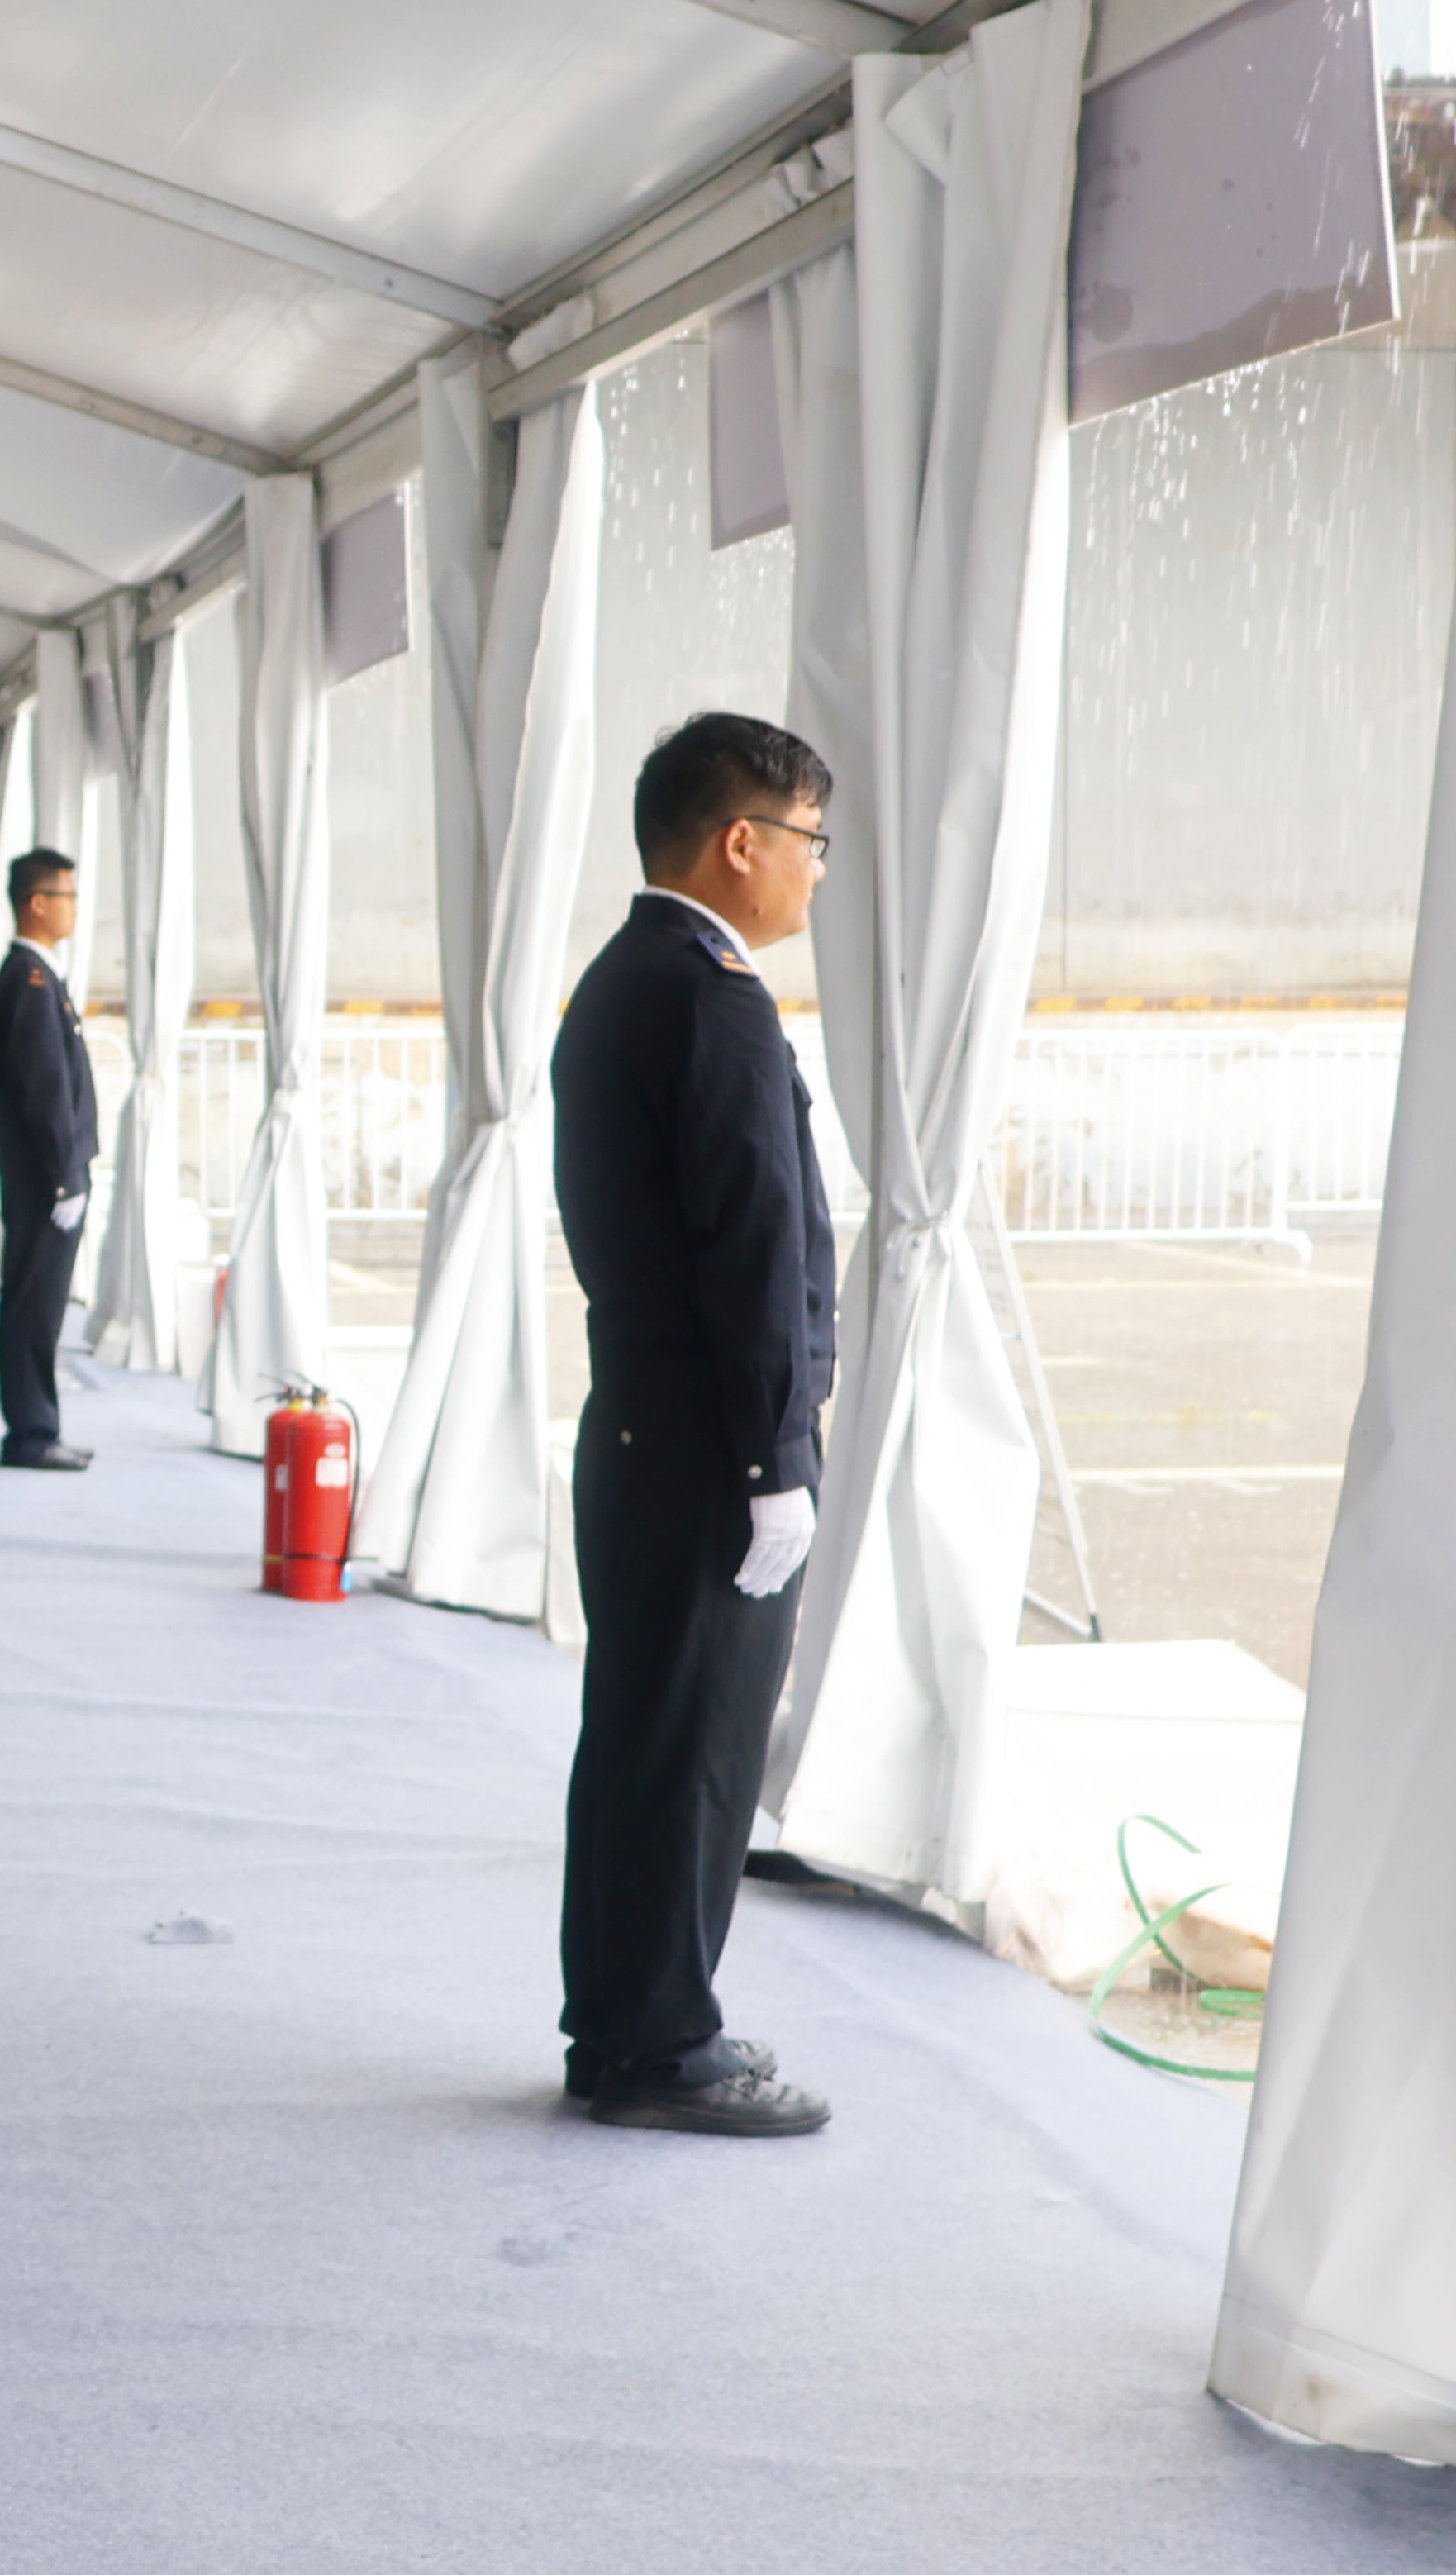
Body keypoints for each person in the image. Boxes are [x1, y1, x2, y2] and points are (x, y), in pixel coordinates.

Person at [550, 712, 841, 2138]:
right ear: (740, 842)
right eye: (809, 842)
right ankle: (663, 2043)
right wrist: (774, 1457)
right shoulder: (713, 993)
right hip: (710, 1447)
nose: (816, 871)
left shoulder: (627, 975)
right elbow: (754, 1247)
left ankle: (619, 2023)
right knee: (698, 1744)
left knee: (641, 1737)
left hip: (643, 1429)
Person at [0, 853, 100, 1468]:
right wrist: (64, 1179)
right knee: (34, 1305)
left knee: (40, 1305)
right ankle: (30, 1432)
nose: (74, 907)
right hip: (42, 1181)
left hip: (46, 1177)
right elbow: (45, 1090)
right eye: (67, 896)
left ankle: (38, 1424)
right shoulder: (29, 979)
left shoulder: (39, 976)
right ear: (37, 903)